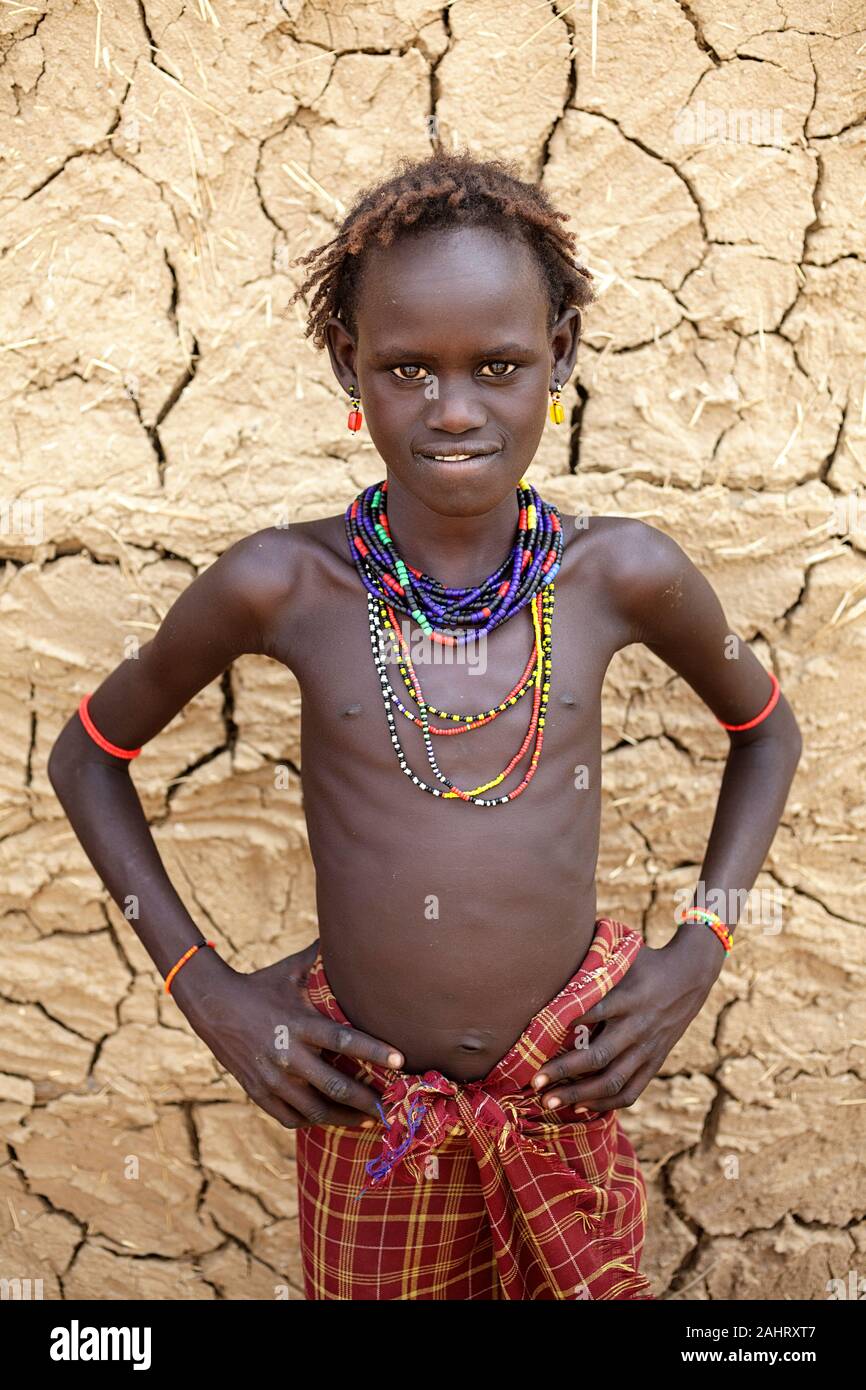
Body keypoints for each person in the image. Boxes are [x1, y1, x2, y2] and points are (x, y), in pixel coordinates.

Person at [48, 149, 803, 1301]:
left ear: (559, 356)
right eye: (407, 369)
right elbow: (87, 757)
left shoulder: (622, 574)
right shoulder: (280, 585)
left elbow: (767, 733)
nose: (453, 408)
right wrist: (201, 984)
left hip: (566, 1081)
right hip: (371, 1110)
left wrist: (705, 941)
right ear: (350, 364)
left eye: (498, 364)